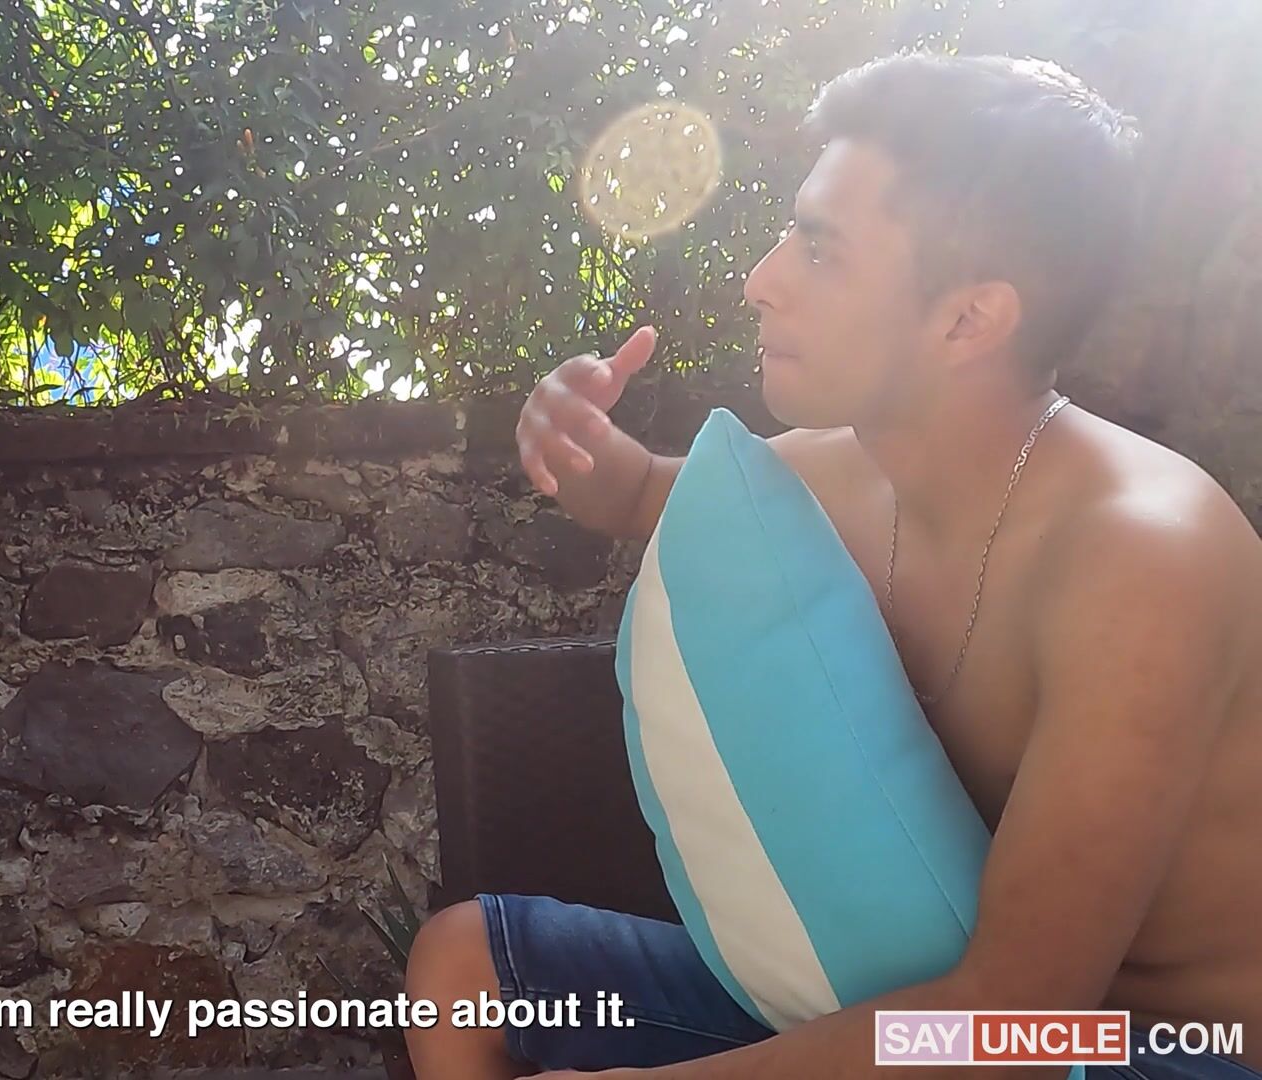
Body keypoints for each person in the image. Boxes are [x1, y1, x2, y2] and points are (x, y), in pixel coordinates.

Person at [405, 52, 1262, 1080]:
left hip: (1139, 1048)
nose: (761, 280)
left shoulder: (1141, 561)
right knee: (466, 968)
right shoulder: (840, 472)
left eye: (820, 250)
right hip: (922, 1006)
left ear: (968, 319)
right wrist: (577, 446)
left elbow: (1018, 1022)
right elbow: (642, 496)